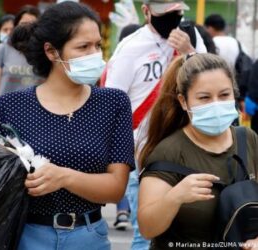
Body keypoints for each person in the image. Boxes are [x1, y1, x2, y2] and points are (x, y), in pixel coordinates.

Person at [0, 2, 135, 250]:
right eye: (83, 47)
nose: (95, 55)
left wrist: (65, 177)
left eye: (97, 46)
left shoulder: (113, 103)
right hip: (23, 236)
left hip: (89, 237)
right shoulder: (11, 105)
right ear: (51, 51)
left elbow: (116, 188)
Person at [103, 0, 207, 249]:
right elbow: (111, 103)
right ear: (146, 11)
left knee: (188, 230)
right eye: (165, 13)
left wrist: (189, 51)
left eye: (177, 13)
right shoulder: (131, 48)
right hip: (144, 153)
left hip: (188, 148)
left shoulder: (190, 37)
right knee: (144, 233)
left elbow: (209, 79)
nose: (172, 19)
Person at [138, 53, 258, 249]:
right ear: (183, 101)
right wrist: (175, 197)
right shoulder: (169, 151)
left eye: (224, 95)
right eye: (204, 98)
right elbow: (147, 228)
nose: (216, 104)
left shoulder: (248, 139)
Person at [0, 5, 41, 121]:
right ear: (16, 26)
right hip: (4, 114)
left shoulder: (43, 54)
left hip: (34, 116)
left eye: (32, 24)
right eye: (24, 23)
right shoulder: (3, 50)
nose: (27, 28)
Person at [112, 23, 141, 231]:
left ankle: (123, 211)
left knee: (124, 172)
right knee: (128, 175)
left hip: (125, 129)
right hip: (135, 129)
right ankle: (126, 212)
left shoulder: (117, 62)